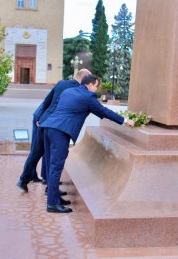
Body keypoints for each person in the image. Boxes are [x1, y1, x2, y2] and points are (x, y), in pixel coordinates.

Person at [40, 74, 135, 213]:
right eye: (96, 86)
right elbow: (104, 111)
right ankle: (52, 204)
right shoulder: (88, 97)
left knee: (51, 164)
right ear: (90, 85)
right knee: (56, 166)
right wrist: (126, 121)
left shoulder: (68, 91)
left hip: (48, 128)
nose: (96, 89)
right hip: (60, 132)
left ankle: (54, 197)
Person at [17, 69, 92, 193]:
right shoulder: (77, 90)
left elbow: (47, 101)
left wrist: (41, 118)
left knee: (36, 152)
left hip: (43, 121)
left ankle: (23, 180)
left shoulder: (61, 83)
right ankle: (49, 187)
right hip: (54, 125)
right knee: (52, 156)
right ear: (83, 77)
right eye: (88, 79)